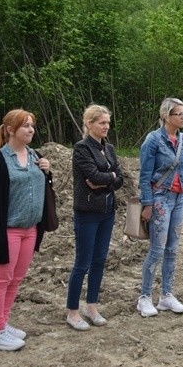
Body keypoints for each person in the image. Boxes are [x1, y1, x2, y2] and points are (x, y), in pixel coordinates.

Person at [0, 109, 52, 351]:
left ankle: (3, 322)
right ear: (10, 130)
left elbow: (44, 189)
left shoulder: (35, 156)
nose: (31, 130)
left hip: (30, 229)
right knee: (1, 279)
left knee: (16, 279)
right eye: (25, 126)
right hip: (7, 230)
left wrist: (47, 172)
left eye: (32, 125)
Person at [65, 105, 124, 331]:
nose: (106, 127)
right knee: (83, 262)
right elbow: (91, 175)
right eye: (102, 123)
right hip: (87, 212)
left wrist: (105, 179)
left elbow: (120, 178)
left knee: (99, 260)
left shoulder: (108, 148)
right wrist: (109, 177)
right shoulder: (81, 148)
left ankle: (92, 306)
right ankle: (72, 311)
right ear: (89, 124)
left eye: (108, 123)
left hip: (107, 211)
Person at [136, 97, 183, 317]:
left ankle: (167, 295)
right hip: (160, 198)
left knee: (172, 248)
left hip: (180, 198)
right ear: (166, 116)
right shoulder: (153, 140)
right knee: (157, 249)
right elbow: (144, 176)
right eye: (180, 114)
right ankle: (145, 297)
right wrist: (147, 204)